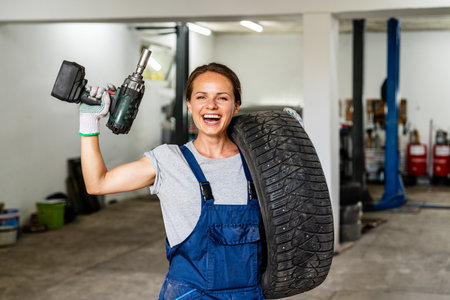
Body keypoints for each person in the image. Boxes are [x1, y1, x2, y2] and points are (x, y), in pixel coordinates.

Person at [79, 63, 265, 299]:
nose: (211, 105)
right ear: (189, 104)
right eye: (201, 97)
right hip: (190, 294)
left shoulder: (258, 163)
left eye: (222, 98)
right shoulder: (168, 160)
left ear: (236, 106)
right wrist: (88, 124)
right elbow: (98, 183)